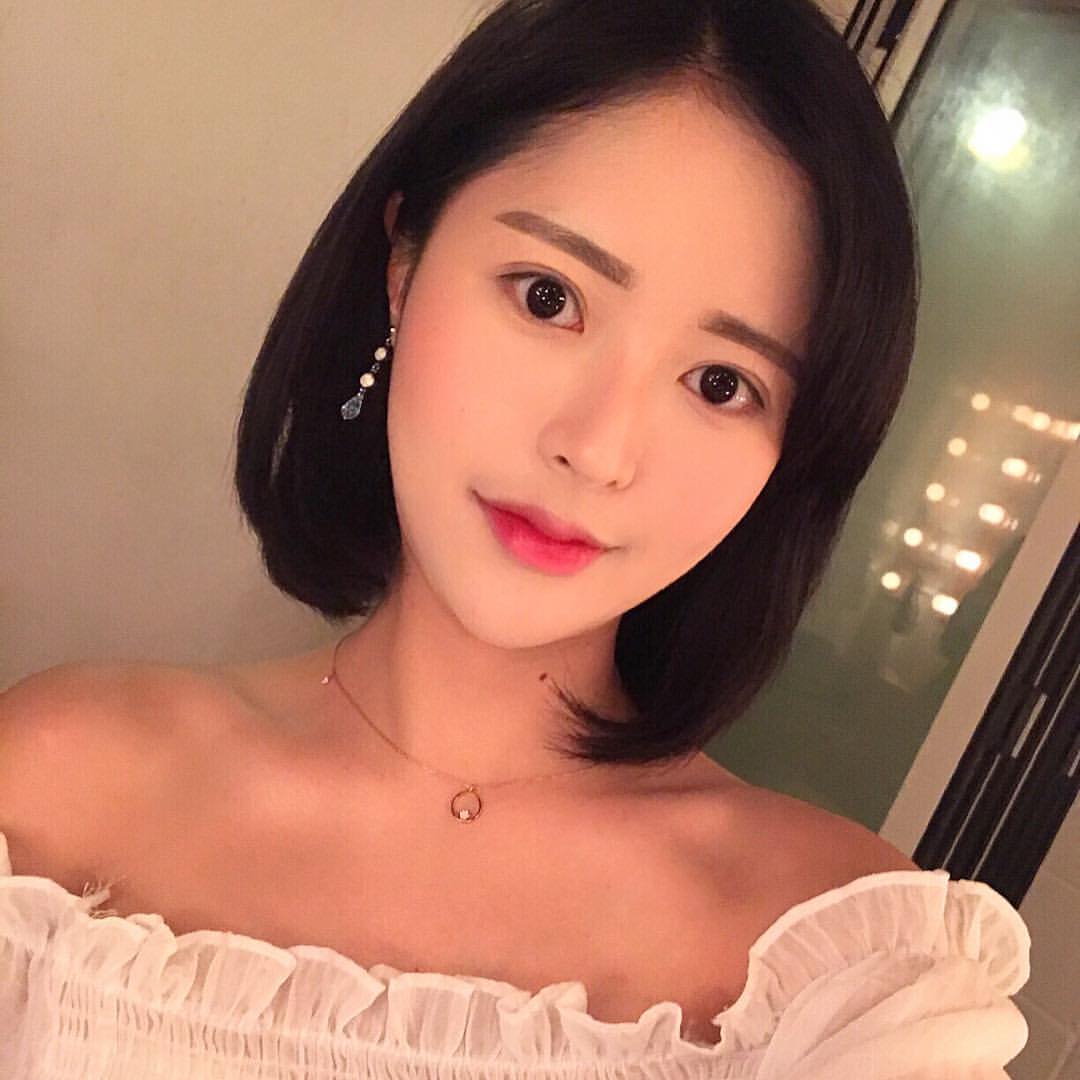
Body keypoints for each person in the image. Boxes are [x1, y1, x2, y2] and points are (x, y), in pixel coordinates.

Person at [0, 0, 1031, 1076]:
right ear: (403, 264)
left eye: (721, 383)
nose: (598, 448)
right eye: (549, 298)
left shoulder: (849, 983)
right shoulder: (55, 786)